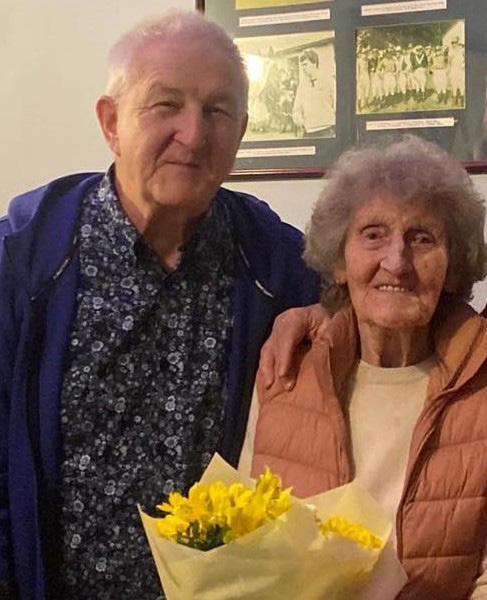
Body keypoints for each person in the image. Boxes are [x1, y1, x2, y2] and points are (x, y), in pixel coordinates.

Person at [0, 11, 319, 599]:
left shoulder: (279, 267)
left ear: (242, 132)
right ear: (111, 122)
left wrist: (321, 316)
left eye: (217, 111)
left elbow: (387, 309)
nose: (193, 135)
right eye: (166, 104)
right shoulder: (22, 263)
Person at [244, 136, 487, 599]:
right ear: (339, 261)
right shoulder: (287, 372)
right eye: (373, 234)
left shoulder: (482, 382)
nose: (396, 262)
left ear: (454, 268)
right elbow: (245, 542)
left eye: (422, 238)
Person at [292, 48, 335, 137]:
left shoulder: (328, 81)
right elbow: (296, 110)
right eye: (302, 66)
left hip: (326, 130)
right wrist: (300, 121)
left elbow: (337, 105)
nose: (303, 68)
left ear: (314, 63)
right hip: (308, 132)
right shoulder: (302, 86)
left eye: (305, 65)